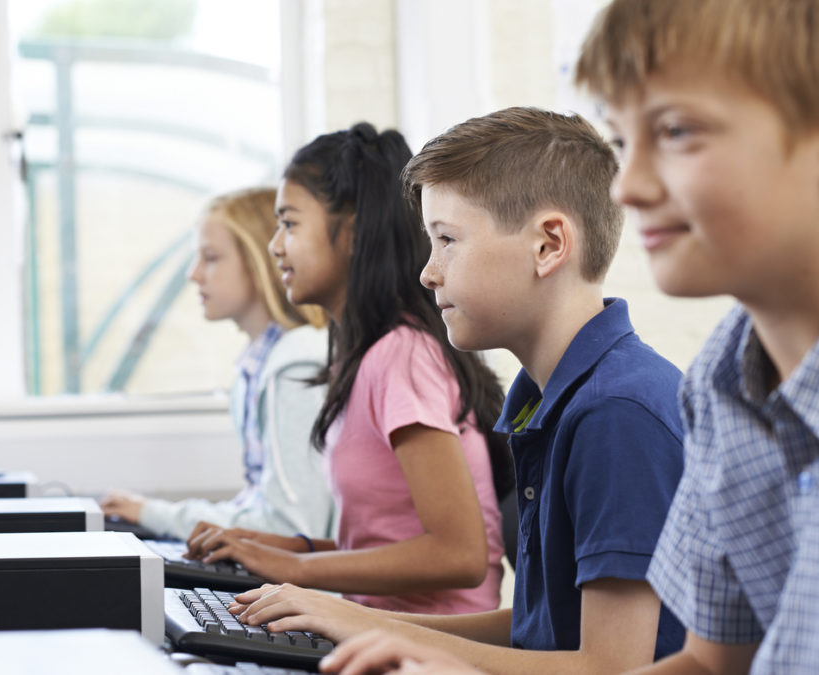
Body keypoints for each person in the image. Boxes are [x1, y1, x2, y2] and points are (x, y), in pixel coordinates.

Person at [231, 107, 687, 674]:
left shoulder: (615, 414)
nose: (428, 272)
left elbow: (610, 667)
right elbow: (535, 632)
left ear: (548, 245)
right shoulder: (550, 398)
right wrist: (361, 622)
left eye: (447, 240)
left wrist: (387, 633)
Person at [572, 1, 819, 672]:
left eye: (677, 131)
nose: (627, 185)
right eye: (621, 141)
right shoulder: (721, 378)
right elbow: (712, 664)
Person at [185, 122, 514, 616]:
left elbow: (460, 555)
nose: (275, 246)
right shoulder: (361, 357)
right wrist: (290, 549)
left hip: (428, 649)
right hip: (375, 632)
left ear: (355, 234)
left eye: (290, 224)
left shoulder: (400, 355)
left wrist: (297, 571)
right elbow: (386, 543)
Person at [101, 187, 334, 541]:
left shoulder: (295, 366)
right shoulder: (258, 365)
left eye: (210, 258)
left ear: (260, 260)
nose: (193, 274)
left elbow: (292, 529)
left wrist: (159, 515)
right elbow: (261, 507)